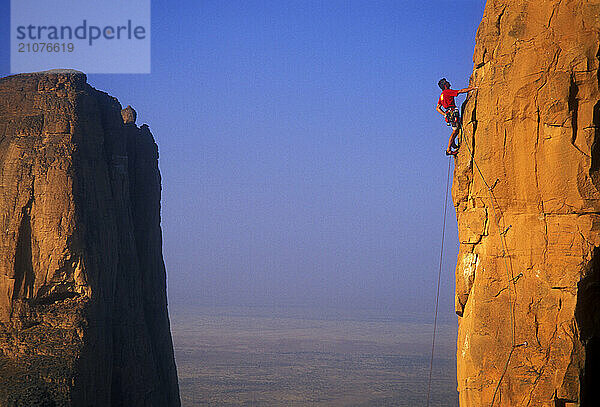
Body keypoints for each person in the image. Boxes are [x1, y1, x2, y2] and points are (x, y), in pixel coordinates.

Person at [436, 78, 477, 155]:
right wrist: (472, 88)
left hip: (449, 113)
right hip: (452, 112)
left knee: (455, 130)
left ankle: (453, 144)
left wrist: (444, 114)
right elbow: (460, 91)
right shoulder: (448, 92)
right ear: (445, 85)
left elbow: (437, 108)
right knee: (455, 131)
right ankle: (448, 149)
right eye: (447, 82)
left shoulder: (442, 95)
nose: (449, 83)